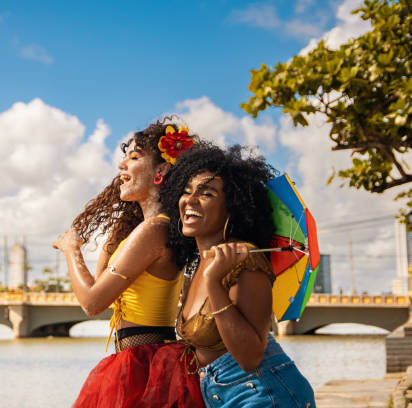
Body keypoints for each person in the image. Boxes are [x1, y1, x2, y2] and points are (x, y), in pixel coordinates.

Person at [53, 120, 204, 407]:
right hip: (144, 359)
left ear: (160, 171)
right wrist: (117, 232)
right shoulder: (155, 228)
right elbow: (104, 289)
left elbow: (92, 303)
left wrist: (71, 249)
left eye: (134, 158)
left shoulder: (153, 230)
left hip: (143, 365)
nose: (122, 166)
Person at [159, 142, 316, 408]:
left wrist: (214, 284)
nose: (190, 200)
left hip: (264, 394)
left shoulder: (245, 260)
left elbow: (250, 357)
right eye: (187, 191)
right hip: (221, 395)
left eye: (206, 194)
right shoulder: (197, 263)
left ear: (233, 206)